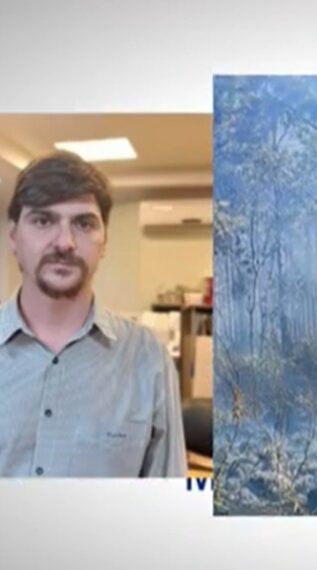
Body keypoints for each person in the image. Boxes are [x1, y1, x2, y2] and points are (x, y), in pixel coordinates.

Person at [0, 151, 186, 477]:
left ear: (105, 242)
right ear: (14, 236)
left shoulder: (148, 359)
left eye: (84, 223)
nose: (66, 242)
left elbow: (165, 509)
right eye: (43, 221)